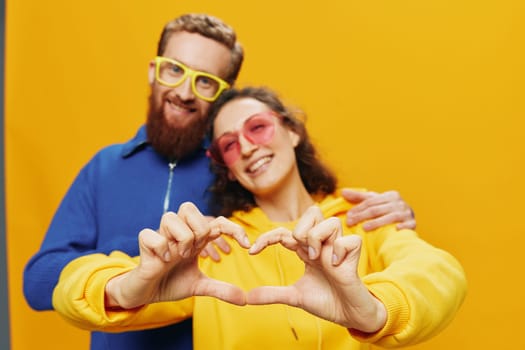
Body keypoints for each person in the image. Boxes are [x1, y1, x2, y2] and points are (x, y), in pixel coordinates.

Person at [24, 14, 416, 350]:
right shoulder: (105, 167)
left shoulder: (241, 172)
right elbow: (39, 284)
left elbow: (300, 218)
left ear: (222, 94)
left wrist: (392, 214)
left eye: (205, 81)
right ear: (154, 70)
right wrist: (149, 262)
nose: (183, 92)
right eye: (174, 69)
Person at [51, 86, 467, 349]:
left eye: (259, 128)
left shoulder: (359, 222)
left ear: (292, 131)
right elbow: (71, 289)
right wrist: (130, 285)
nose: (247, 147)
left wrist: (375, 310)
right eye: (229, 145)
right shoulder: (216, 246)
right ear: (226, 167)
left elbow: (438, 273)